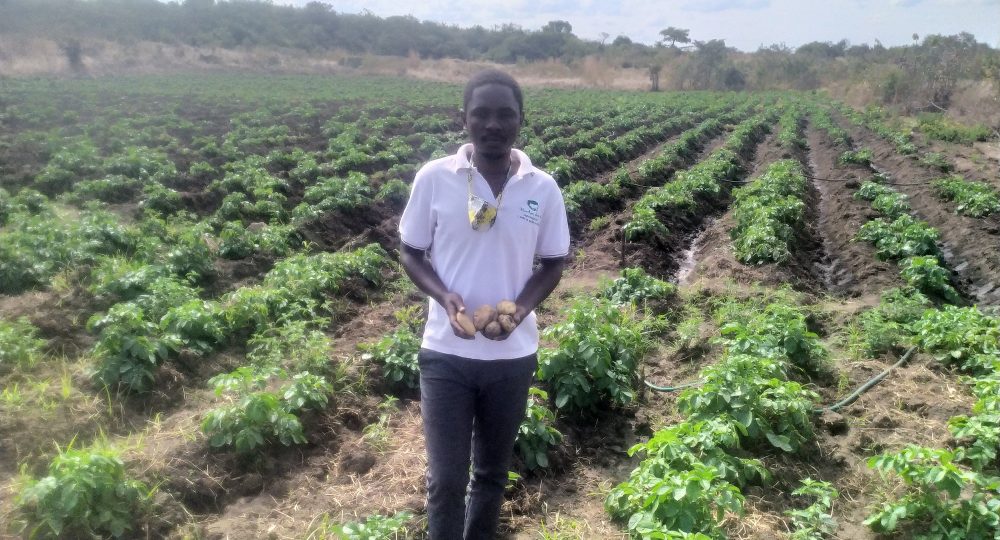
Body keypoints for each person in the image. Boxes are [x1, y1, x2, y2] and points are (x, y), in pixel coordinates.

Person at [397, 69, 570, 539]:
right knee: (446, 481)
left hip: (511, 359)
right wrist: (443, 295)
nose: (493, 124)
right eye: (482, 114)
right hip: (445, 355)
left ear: (520, 120)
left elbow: (554, 262)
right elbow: (410, 252)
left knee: (491, 475)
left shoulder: (542, 187)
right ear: (465, 119)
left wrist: (518, 311)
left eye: (505, 115)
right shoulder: (435, 178)